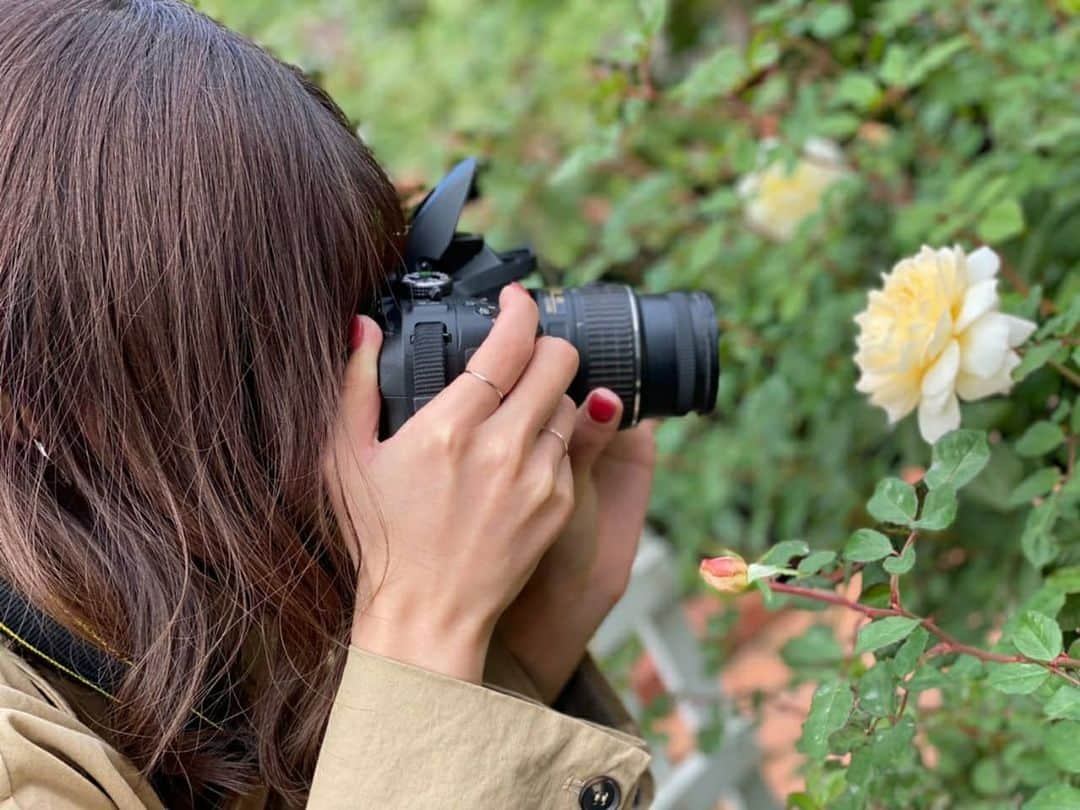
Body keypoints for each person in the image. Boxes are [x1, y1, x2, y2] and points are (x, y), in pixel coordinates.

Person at [0, 1, 658, 807]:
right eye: (280, 358)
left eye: (367, 323)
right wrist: (420, 627)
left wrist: (529, 639)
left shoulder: (145, 534)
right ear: (39, 397)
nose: (358, 386)